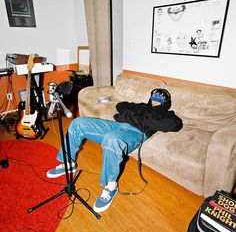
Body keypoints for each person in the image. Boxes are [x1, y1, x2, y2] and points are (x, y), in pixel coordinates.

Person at [47, 89, 183, 213]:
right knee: (78, 123)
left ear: (166, 103)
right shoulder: (141, 106)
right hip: (115, 125)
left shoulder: (167, 114)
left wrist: (139, 119)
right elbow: (121, 106)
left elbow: (176, 124)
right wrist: (134, 115)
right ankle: (69, 163)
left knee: (111, 139)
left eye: (159, 100)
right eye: (154, 98)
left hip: (135, 133)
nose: (155, 101)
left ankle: (111, 186)